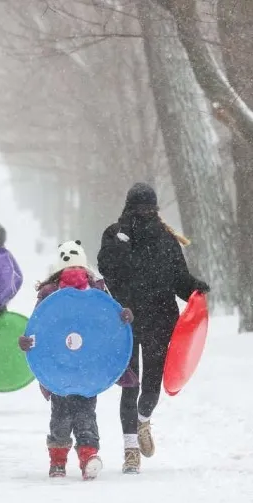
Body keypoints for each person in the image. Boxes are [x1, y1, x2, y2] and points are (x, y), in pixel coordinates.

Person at [97, 183, 210, 475]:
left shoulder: (166, 238)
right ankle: (130, 449)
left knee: (151, 385)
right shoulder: (114, 235)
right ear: (128, 207)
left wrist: (194, 289)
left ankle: (144, 419)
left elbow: (179, 277)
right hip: (126, 321)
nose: (144, 213)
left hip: (161, 319)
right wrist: (121, 243)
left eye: (149, 208)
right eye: (138, 208)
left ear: (156, 209)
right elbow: (108, 270)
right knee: (129, 386)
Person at [18, 240, 135, 480]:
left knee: (83, 413)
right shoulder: (50, 294)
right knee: (64, 414)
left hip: (87, 365)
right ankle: (59, 461)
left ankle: (87, 457)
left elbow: (107, 325)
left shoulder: (98, 293)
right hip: (61, 365)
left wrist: (122, 318)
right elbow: (40, 327)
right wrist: (28, 342)